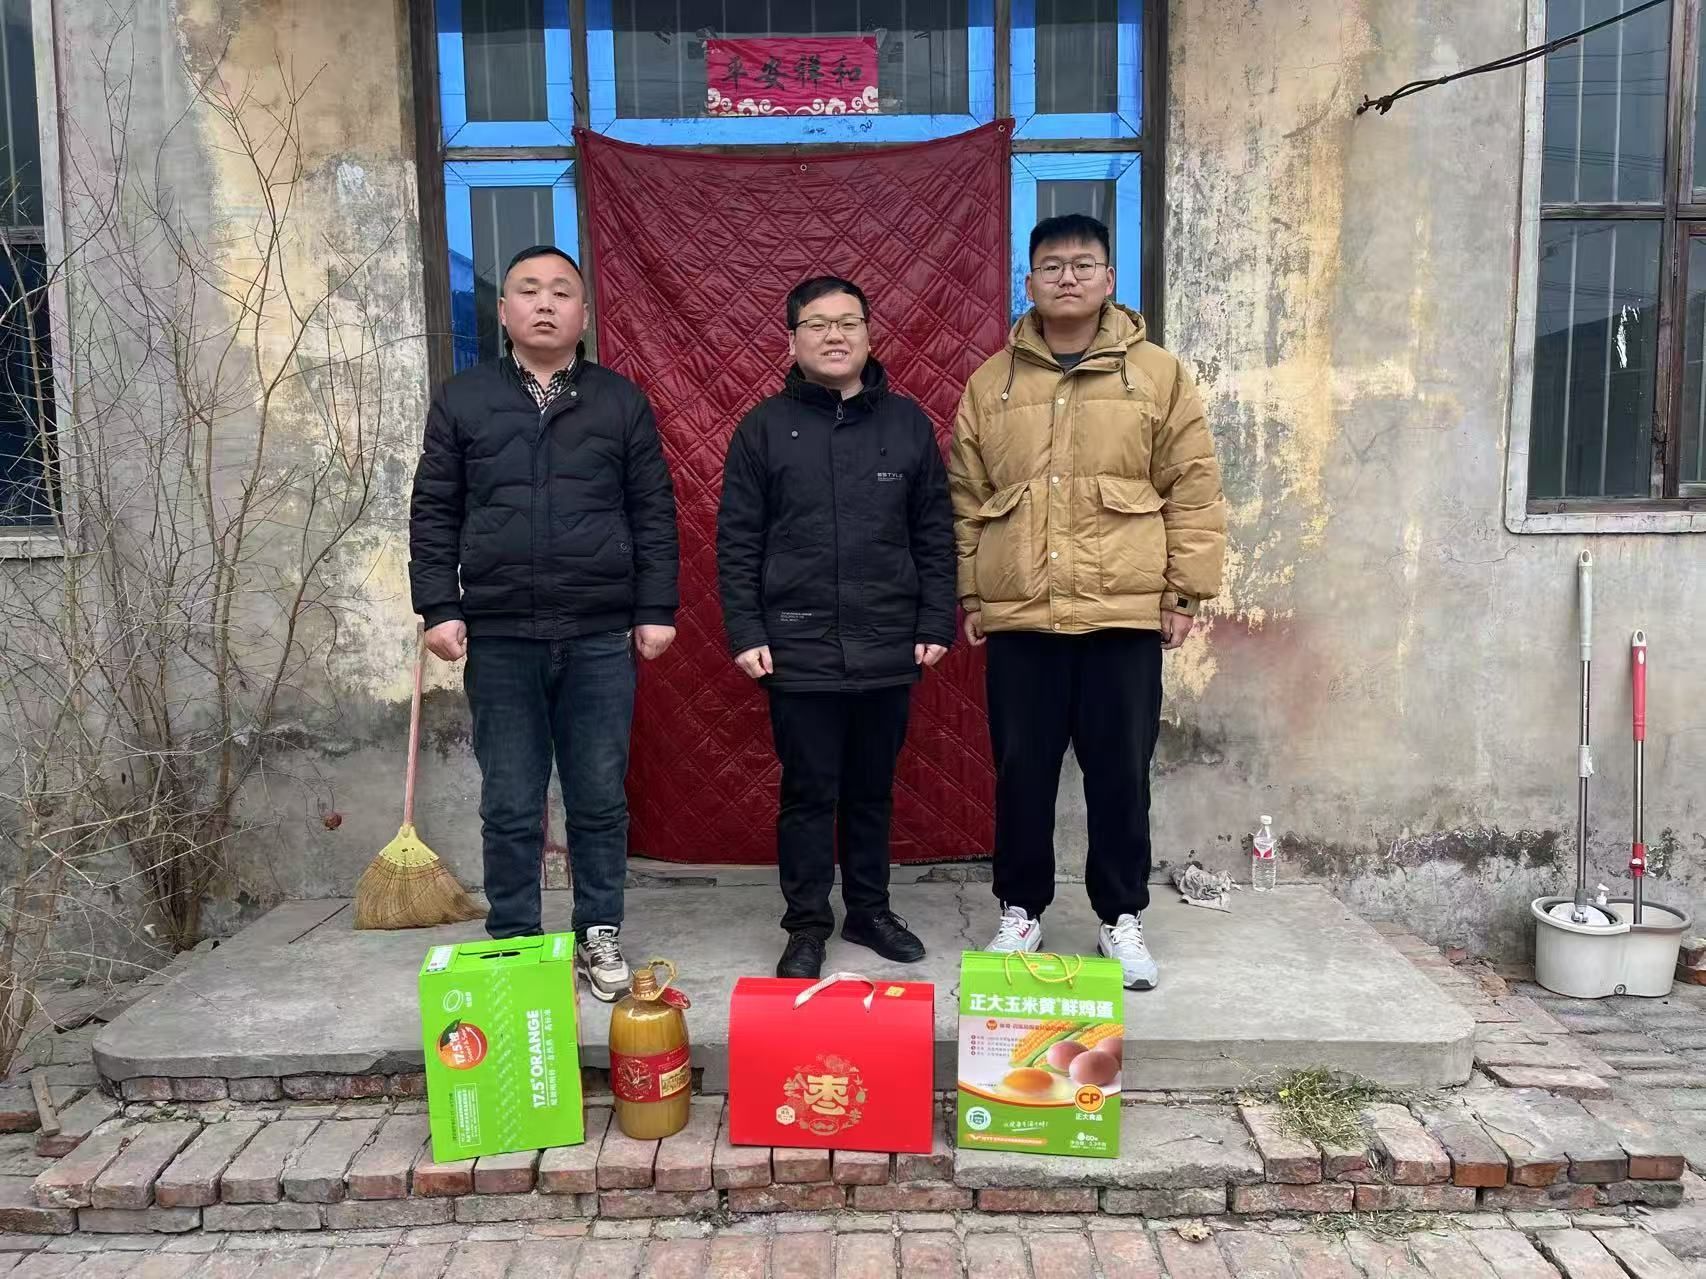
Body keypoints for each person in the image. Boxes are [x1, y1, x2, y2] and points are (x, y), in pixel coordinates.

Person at [947, 215, 1226, 992]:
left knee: (1119, 774)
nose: (1066, 277)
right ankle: (1021, 910)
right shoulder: (992, 383)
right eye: (1051, 266)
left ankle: (1121, 916)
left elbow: (1193, 486)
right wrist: (973, 589)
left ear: (1109, 278)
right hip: (1023, 616)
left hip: (1121, 614)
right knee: (1022, 772)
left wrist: (1183, 590)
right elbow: (967, 497)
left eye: (1083, 264)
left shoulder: (1157, 375)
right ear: (1029, 282)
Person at [409, 244, 680, 1002]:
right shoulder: (463, 399)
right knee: (510, 799)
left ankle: (599, 931)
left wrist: (655, 608)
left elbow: (653, 511)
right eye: (528, 291)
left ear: (583, 314)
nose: (545, 303)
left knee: (598, 795)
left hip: (598, 633)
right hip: (501, 633)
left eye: (562, 292)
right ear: (503, 311)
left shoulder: (619, 402)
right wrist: (439, 605)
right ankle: (517, 941)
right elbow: (434, 509)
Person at [717, 276, 956, 980]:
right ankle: (806, 924)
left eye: (848, 322)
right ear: (791, 340)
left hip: (888, 639)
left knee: (873, 789)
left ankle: (870, 910)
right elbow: (738, 540)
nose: (834, 335)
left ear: (869, 335)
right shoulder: (764, 428)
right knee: (808, 792)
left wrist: (935, 618)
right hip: (798, 645)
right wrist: (746, 630)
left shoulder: (907, 424)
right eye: (817, 324)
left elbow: (934, 531)